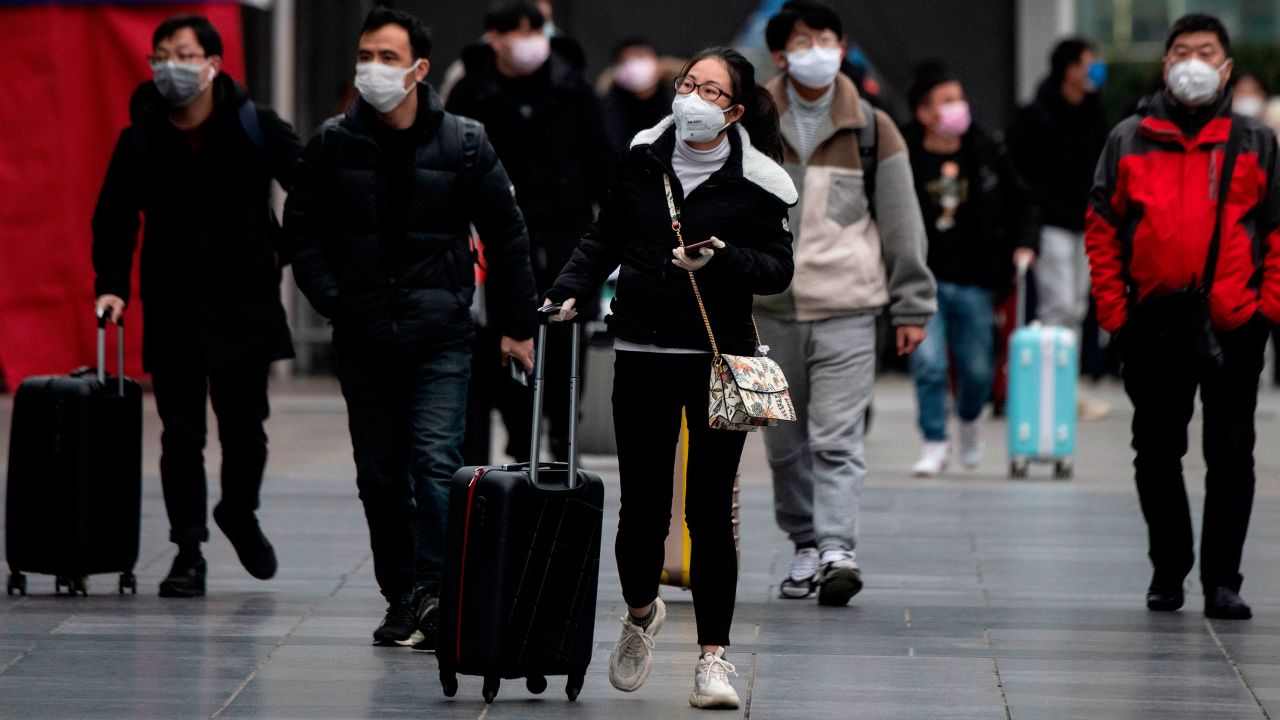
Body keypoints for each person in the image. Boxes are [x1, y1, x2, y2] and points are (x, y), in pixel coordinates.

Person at [543, 47, 794, 710]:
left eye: (710, 91)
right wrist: (569, 288)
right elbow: (606, 238)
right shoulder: (643, 155)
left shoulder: (761, 181)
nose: (692, 97)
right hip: (643, 351)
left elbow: (776, 269)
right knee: (643, 507)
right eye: (688, 84)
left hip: (719, 362)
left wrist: (721, 258)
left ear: (734, 110)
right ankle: (640, 612)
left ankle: (714, 658)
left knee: (711, 513)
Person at [284, 7, 538, 646]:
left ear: (419, 70)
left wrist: (514, 323)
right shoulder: (333, 143)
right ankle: (402, 595)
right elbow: (303, 233)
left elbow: (508, 234)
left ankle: (435, 593)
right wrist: (336, 301)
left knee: (433, 463)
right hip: (362, 336)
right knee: (380, 476)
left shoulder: (464, 141)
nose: (373, 69)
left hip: (442, 336)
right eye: (365, 56)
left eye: (387, 58)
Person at [92, 14, 301, 598]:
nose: (169, 67)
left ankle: (239, 511)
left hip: (245, 302)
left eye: (181, 55)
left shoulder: (256, 125)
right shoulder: (139, 137)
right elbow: (113, 220)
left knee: (245, 431)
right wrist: (110, 284)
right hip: (173, 303)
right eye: (160, 56)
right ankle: (187, 550)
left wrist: (280, 249)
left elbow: (312, 188)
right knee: (180, 433)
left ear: (212, 63)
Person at [1086, 13, 1280, 620]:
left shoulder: (1255, 141)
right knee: (1157, 450)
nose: (1192, 62)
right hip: (1154, 323)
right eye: (1181, 52)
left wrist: (1265, 307)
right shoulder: (1128, 138)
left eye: (1206, 51)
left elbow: (1275, 230)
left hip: (1234, 321)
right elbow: (1102, 228)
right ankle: (1169, 569)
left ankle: (1223, 579)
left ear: (1225, 67)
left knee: (1231, 453)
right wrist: (1117, 313)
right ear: (1166, 64)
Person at [756, 0, 935, 605]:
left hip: (849, 308)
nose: (819, 51)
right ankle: (804, 542)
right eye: (805, 41)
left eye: (828, 39)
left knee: (836, 438)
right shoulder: (750, 122)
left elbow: (902, 222)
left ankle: (836, 549)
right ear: (781, 55)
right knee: (784, 444)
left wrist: (911, 305)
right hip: (767, 311)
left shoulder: (873, 128)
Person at [446, 0, 611, 464]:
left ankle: (562, 449)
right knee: (504, 361)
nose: (526, 41)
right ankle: (520, 452)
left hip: (565, 246)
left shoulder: (573, 89)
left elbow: (603, 169)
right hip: (493, 253)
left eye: (533, 30)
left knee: (563, 356)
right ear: (493, 38)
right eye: (514, 32)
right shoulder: (469, 94)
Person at [902, 61, 1034, 476]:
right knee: (929, 364)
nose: (959, 107)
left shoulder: (986, 150)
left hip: (977, 279)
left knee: (978, 369)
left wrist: (1026, 244)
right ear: (924, 113)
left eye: (959, 99)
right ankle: (935, 441)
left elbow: (1023, 201)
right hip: (922, 281)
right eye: (947, 101)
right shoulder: (902, 152)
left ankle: (970, 422)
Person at [1007, 37, 1112, 421]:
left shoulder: (1094, 113)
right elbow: (1017, 168)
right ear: (1069, 68)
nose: (1094, 69)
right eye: (1088, 62)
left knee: (1080, 306)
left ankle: (1067, 388)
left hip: (1087, 223)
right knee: (1058, 305)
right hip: (1050, 223)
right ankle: (1051, 392)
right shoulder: (1037, 114)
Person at [601, 38, 676, 154]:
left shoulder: (677, 103)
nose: (634, 65)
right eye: (626, 60)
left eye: (640, 56)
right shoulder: (612, 112)